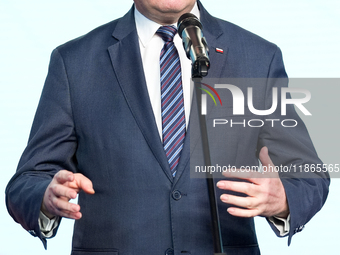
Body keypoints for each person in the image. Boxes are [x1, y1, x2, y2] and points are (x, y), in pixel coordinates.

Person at [5, 1, 329, 254]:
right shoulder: (73, 60)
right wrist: (45, 197)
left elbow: (310, 175)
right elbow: (28, 180)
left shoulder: (259, 56)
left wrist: (284, 198)